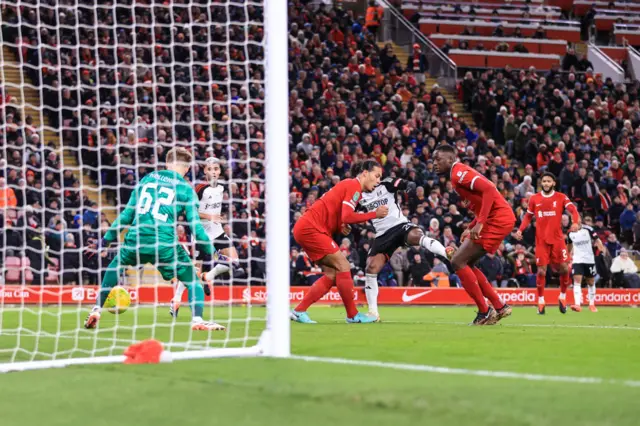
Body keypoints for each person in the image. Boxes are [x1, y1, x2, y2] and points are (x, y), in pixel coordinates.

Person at [85, 147, 224, 331]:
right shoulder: (186, 189)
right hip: (164, 243)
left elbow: (127, 215)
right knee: (192, 280)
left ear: (166, 163)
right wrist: (213, 252)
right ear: (188, 168)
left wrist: (106, 239)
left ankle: (96, 309)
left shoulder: (146, 179)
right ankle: (197, 320)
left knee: (116, 264)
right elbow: (196, 229)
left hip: (137, 237)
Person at [290, 160, 388, 324]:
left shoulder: (350, 186)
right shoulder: (353, 186)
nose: (378, 181)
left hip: (307, 228)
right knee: (344, 266)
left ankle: (299, 311)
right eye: (377, 176)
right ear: (365, 173)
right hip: (311, 228)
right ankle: (352, 315)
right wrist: (374, 214)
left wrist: (340, 226)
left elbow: (338, 215)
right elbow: (347, 216)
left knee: (332, 274)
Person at [432, 144, 514, 325]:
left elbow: (490, 189)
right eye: (433, 160)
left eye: (438, 159)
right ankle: (499, 306)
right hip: (497, 218)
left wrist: (481, 223)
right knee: (465, 262)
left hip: (497, 219)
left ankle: (485, 312)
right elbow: (481, 201)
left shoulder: (458, 172)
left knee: (457, 261)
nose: (435, 164)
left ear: (450, 159)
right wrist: (472, 225)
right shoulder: (455, 176)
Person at [357, 176, 451, 320]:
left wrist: (409, 188)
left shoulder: (386, 184)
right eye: (375, 175)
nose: (377, 178)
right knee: (371, 268)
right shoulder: (359, 195)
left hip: (400, 226)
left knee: (416, 235)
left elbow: (407, 183)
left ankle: (447, 252)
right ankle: (373, 313)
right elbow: (349, 213)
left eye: (378, 176)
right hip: (382, 235)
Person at [170, 157, 240, 317]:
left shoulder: (223, 188)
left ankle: (208, 276)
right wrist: (209, 216)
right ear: (205, 171)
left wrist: (218, 217)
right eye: (210, 169)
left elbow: (216, 209)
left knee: (235, 261)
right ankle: (176, 298)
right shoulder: (200, 188)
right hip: (201, 232)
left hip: (217, 231)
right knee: (193, 269)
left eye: (216, 169)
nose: (213, 172)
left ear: (220, 171)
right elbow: (190, 211)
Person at [516, 172, 580, 315]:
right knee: (541, 271)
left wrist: (575, 222)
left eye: (548, 181)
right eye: (544, 181)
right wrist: (520, 229)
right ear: (541, 183)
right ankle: (540, 300)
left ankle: (562, 297)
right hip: (541, 241)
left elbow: (573, 210)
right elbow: (527, 216)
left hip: (557, 240)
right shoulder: (534, 198)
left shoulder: (561, 197)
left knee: (564, 269)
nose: (546, 183)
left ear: (553, 183)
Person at [567, 216, 605, 312]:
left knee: (591, 282)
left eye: (576, 220)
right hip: (577, 259)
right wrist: (567, 255)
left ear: (580, 220)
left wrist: (600, 247)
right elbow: (569, 245)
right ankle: (577, 304)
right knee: (576, 281)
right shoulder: (570, 233)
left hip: (589, 259)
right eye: (572, 221)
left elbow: (597, 239)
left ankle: (591, 304)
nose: (574, 222)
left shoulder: (588, 229)